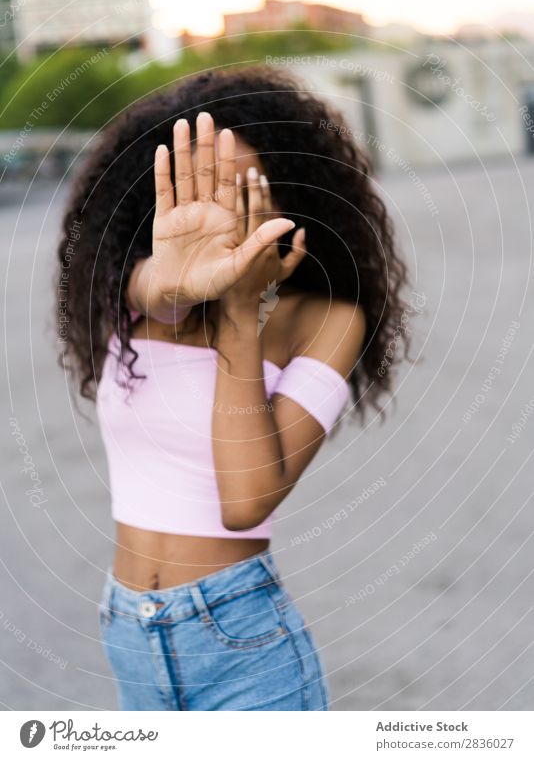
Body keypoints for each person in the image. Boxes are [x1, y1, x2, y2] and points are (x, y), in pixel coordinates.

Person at [57, 67, 409, 710]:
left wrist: (240, 313)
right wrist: (178, 281)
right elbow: (157, 288)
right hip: (128, 630)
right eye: (202, 182)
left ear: (291, 192)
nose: (220, 205)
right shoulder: (137, 292)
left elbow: (246, 500)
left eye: (243, 182)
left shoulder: (325, 320)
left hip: (241, 638)